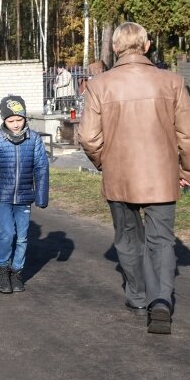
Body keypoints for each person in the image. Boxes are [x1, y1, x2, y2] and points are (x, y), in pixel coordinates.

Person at [79, 22, 190, 335]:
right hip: (162, 176)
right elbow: (187, 135)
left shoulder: (100, 85)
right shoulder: (172, 82)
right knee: (162, 241)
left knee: (128, 238)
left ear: (115, 48)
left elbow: (88, 138)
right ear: (147, 45)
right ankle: (161, 302)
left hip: (119, 176)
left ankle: (139, 295)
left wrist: (106, 163)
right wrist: (185, 171)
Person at [0, 95, 49, 294]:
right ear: (4, 120)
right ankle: (2, 268)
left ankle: (17, 271)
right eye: (10, 120)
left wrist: (41, 194)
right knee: (7, 233)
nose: (15, 125)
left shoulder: (34, 139)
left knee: (22, 237)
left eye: (19, 120)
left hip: (24, 197)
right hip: (3, 196)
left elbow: (41, 167)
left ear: (25, 118)